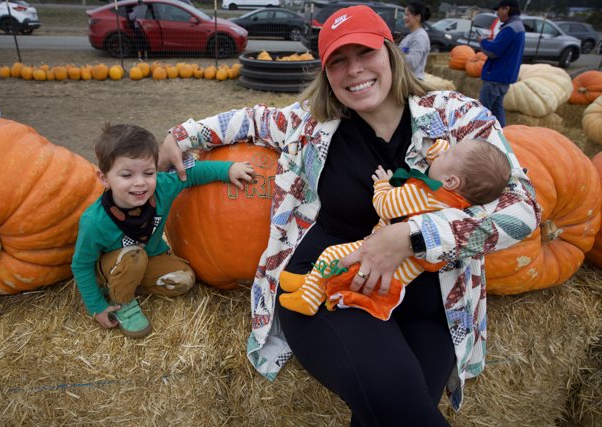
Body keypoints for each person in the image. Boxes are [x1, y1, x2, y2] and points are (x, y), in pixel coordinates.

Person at [159, 5, 539, 425]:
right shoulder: (311, 125)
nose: (354, 70)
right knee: (401, 404)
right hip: (331, 287)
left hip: (430, 301)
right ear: (326, 73)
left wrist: (412, 236)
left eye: (365, 54)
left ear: (390, 53)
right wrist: (181, 134)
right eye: (339, 60)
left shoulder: (456, 116)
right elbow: (251, 119)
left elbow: (523, 208)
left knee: (383, 416)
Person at [279, 138, 511, 319]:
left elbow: (386, 207)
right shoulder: (455, 206)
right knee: (337, 265)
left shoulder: (424, 194)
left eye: (448, 154)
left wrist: (382, 185)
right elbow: (442, 158)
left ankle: (308, 300)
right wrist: (441, 152)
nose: (442, 152)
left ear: (450, 182)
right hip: (403, 274)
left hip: (383, 261)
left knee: (333, 255)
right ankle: (311, 282)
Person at [71, 123, 254, 338]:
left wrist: (228, 169)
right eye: (127, 175)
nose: (140, 183)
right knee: (133, 257)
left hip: (147, 257)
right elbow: (81, 265)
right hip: (114, 264)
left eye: (148, 172)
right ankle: (122, 302)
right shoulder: (94, 221)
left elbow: (193, 174)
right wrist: (97, 307)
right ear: (104, 179)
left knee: (184, 280)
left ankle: (128, 283)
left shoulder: (162, 188)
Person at [478, 0, 525, 127]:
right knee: (497, 109)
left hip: (497, 76)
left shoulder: (510, 29)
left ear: (506, 9)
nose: (497, 13)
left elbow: (494, 51)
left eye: (498, 10)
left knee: (483, 110)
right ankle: (503, 134)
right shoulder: (517, 26)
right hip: (504, 76)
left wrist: (483, 42)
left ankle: (482, 138)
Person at [398, 1, 431, 80]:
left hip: (413, 82)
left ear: (417, 17)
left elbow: (412, 64)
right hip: (406, 80)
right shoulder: (410, 36)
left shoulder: (420, 37)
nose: (404, 17)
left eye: (407, 15)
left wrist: (396, 56)